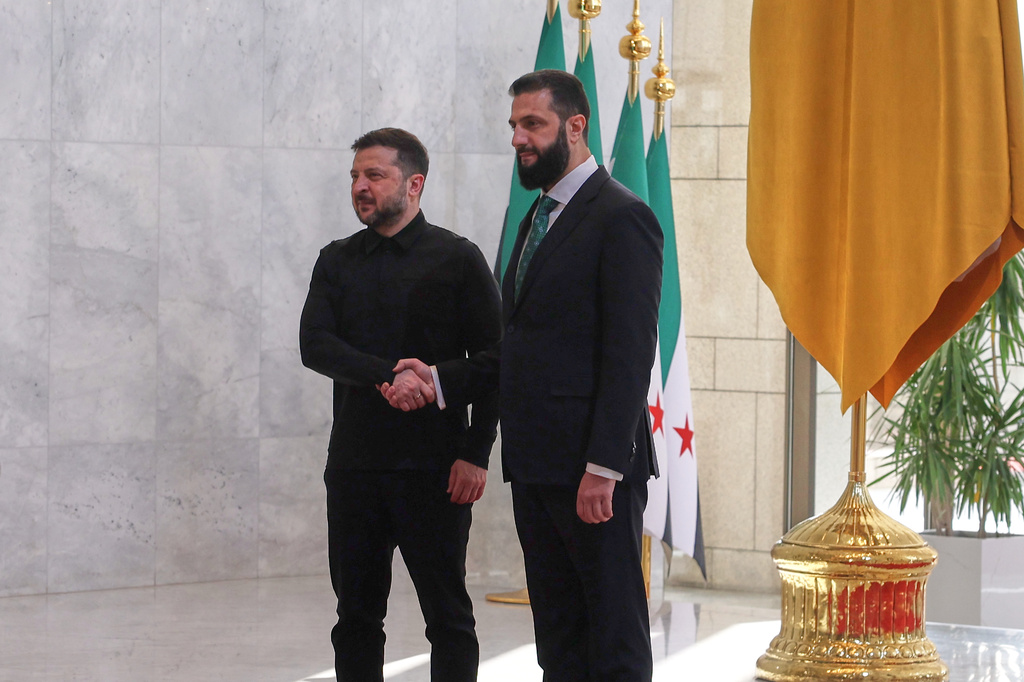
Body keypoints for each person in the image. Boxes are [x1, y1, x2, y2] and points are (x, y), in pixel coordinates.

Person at [386, 71, 664, 681]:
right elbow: (521, 347)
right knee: (559, 637)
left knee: (613, 635)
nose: (518, 138)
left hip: (595, 474)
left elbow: (629, 355)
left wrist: (605, 467)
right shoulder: (537, 216)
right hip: (536, 466)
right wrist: (439, 380)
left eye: (532, 124)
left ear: (575, 126)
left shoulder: (622, 217)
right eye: (514, 126)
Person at [299, 127, 502, 682]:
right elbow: (314, 345)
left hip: (436, 469)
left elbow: (495, 361)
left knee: (448, 617)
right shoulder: (336, 260)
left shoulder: (458, 258)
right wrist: (391, 374)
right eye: (355, 177)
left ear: (414, 184)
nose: (360, 187)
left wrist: (476, 453)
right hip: (355, 468)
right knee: (356, 617)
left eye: (374, 175)